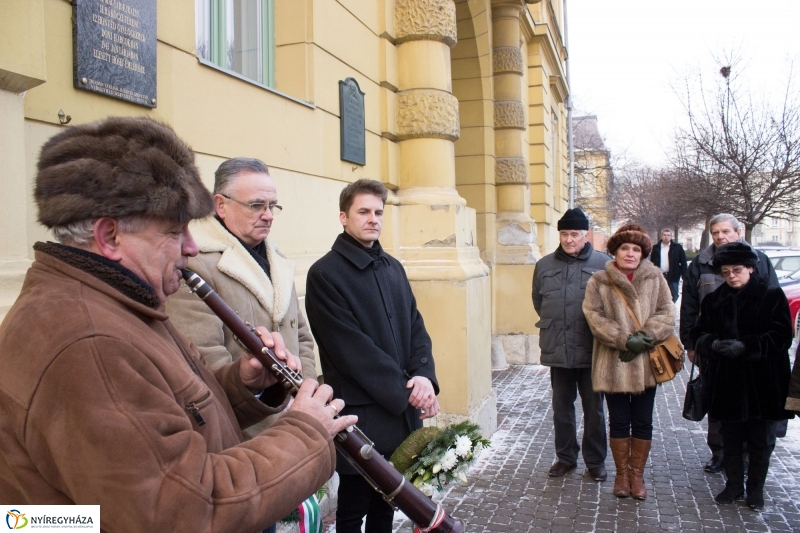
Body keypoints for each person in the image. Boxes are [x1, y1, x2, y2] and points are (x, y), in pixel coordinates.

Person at [0, 117, 356, 532]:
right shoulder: (89, 340)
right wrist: (305, 434)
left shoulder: (117, 302)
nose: (191, 247)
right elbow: (181, 511)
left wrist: (246, 383)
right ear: (109, 236)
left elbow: (169, 420)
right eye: (175, 231)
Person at [305, 179, 440, 533]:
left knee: (389, 503)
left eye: (378, 212)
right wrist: (406, 390)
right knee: (353, 507)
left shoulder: (392, 267)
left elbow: (415, 326)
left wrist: (423, 377)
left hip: (401, 411)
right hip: (362, 414)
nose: (373, 219)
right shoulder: (324, 274)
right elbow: (351, 349)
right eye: (363, 211)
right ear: (343, 217)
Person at [167, 157, 317, 437]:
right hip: (246, 433)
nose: (269, 215)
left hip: (298, 421)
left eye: (273, 206)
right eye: (257, 205)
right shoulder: (194, 265)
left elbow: (303, 339)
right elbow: (204, 364)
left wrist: (305, 396)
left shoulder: (278, 261)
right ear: (220, 205)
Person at [690, 243, 793, 511]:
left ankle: (755, 490)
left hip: (764, 382)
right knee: (730, 437)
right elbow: (698, 333)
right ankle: (734, 485)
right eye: (726, 272)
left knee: (761, 441)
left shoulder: (771, 296)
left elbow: (782, 336)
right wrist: (711, 344)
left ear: (750, 268)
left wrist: (747, 346)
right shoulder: (715, 300)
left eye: (737, 270)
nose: (732, 276)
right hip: (728, 382)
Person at [583, 224, 679, 500]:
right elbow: (594, 316)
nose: (630, 254)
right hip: (615, 362)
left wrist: (645, 336)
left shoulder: (655, 278)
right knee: (619, 421)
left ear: (643, 254)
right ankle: (621, 476)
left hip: (646, 362)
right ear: (615, 251)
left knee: (643, 421)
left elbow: (666, 311)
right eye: (625, 248)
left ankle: (637, 475)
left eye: (636, 249)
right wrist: (624, 340)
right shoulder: (599, 280)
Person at [680, 213, 780, 474]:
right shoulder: (700, 264)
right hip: (716, 347)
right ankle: (720, 452)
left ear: (739, 232)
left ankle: (747, 455)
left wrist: (755, 346)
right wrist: (692, 343)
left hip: (752, 352)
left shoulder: (758, 260)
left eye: (726, 231)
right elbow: (689, 306)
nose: (721, 237)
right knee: (718, 402)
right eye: (716, 233)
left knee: (752, 405)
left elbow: (772, 303)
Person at [532, 208, 609, 481]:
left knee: (594, 410)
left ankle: (595, 461)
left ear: (585, 235)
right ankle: (565, 458)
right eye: (564, 234)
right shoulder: (544, 266)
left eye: (574, 234)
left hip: (592, 349)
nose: (568, 240)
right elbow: (539, 303)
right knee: (562, 408)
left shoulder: (603, 264)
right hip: (558, 347)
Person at [649, 228, 687, 303]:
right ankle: (663, 310)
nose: (666, 237)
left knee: (674, 294)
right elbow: (652, 262)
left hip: (673, 275)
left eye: (668, 235)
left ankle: (671, 309)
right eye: (664, 235)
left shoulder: (677, 247)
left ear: (671, 237)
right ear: (661, 236)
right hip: (660, 275)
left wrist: (684, 276)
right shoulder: (656, 248)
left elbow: (683, 262)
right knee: (660, 295)